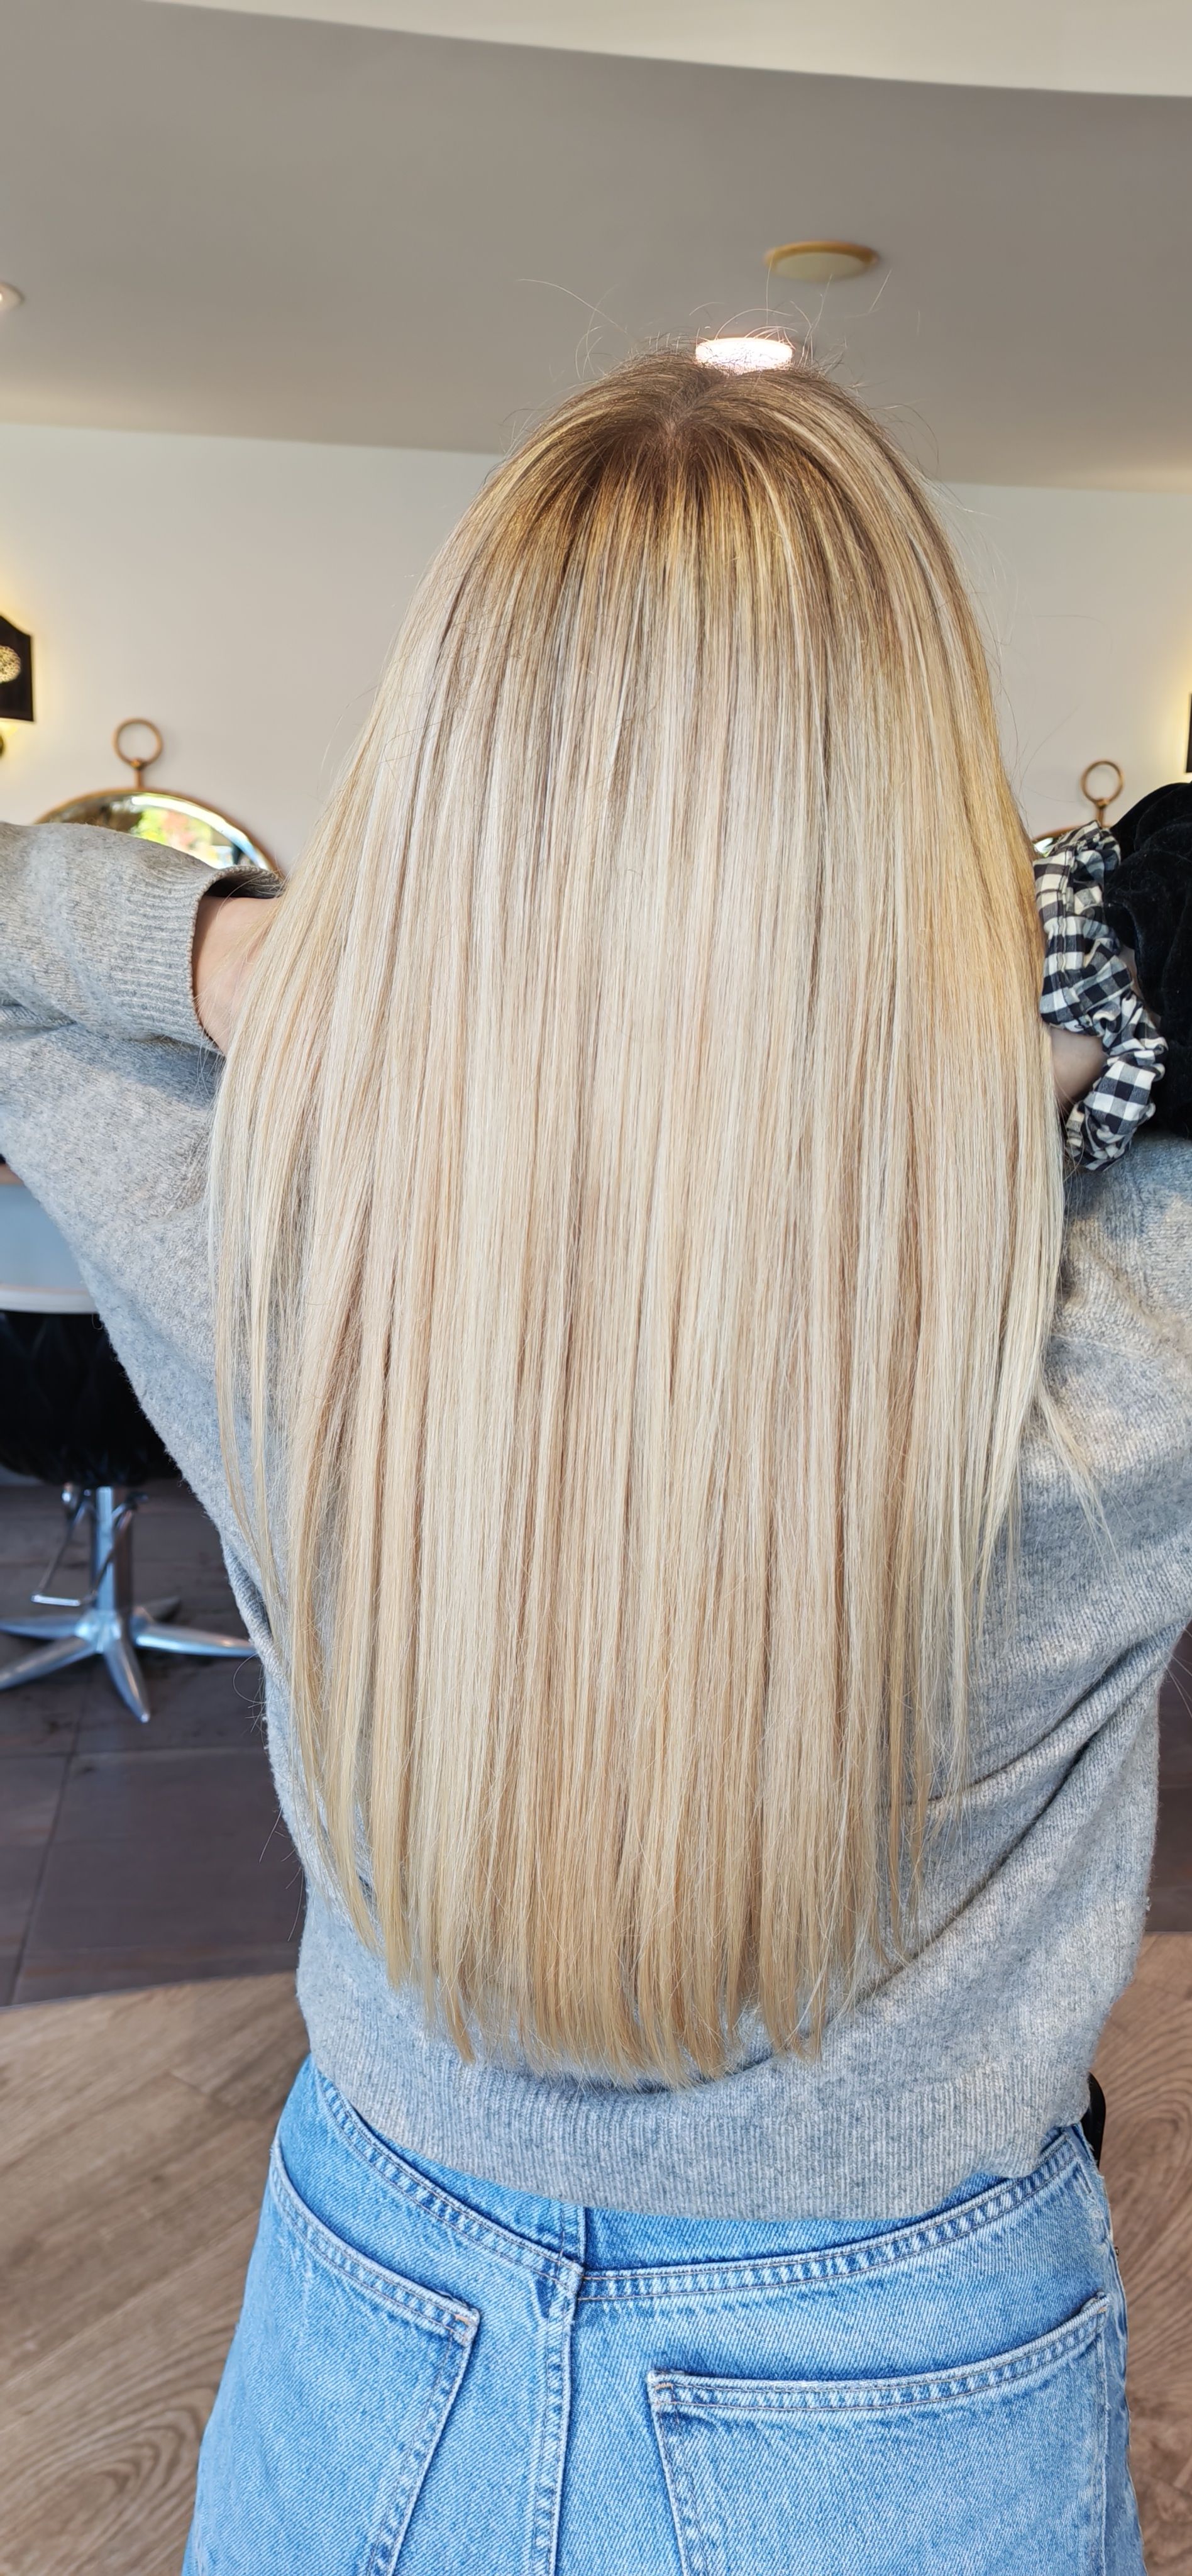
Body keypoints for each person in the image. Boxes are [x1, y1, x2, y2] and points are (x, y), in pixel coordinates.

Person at [1, 347, 1185, 2575]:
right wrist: (1070, 987)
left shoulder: (268, 1254)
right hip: (909, 2390)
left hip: (368, 2341)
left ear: (443, 802)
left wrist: (253, 958)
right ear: (921, 811)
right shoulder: (1124, 1318)